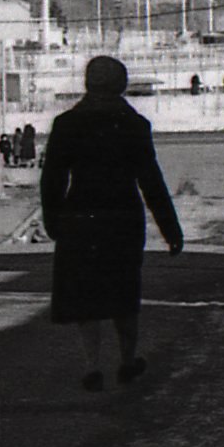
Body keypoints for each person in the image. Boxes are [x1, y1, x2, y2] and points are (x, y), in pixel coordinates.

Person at [41, 54, 184, 391]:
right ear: (121, 84)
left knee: (85, 296)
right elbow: (151, 182)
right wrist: (170, 229)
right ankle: (126, 360)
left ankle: (92, 365)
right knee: (124, 293)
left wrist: (53, 219)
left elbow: (52, 179)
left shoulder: (67, 125)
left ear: (88, 83)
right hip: (122, 218)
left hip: (80, 218)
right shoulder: (134, 126)